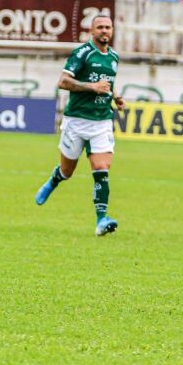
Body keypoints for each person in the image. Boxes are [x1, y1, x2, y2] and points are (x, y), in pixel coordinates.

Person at [34, 15, 125, 236]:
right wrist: (91, 87)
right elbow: (63, 81)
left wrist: (115, 96)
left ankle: (101, 220)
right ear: (92, 31)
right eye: (100, 27)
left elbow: (107, 83)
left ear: (112, 30)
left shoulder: (113, 57)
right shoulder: (82, 53)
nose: (104, 31)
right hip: (76, 121)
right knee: (67, 171)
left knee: (101, 169)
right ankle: (55, 179)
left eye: (108, 27)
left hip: (102, 121)